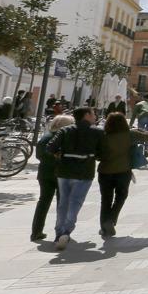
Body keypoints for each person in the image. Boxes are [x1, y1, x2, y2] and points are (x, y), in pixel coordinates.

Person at [48, 106, 105, 249]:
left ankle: (58, 233)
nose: (95, 116)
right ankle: (66, 231)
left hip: (64, 171)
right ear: (86, 115)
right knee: (75, 202)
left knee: (63, 203)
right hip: (84, 172)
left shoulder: (65, 130)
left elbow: (50, 147)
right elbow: (102, 152)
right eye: (93, 114)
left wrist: (60, 155)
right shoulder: (97, 132)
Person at [95, 112, 148, 237]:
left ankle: (104, 227)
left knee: (105, 199)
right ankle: (111, 220)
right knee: (121, 196)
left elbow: (97, 155)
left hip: (105, 171)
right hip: (123, 171)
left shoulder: (103, 136)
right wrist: (140, 129)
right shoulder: (130, 134)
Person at [31, 114, 73, 242]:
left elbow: (38, 155)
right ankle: (60, 233)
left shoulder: (45, 137)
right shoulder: (63, 137)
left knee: (43, 202)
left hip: (44, 174)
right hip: (61, 174)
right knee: (62, 204)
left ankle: (36, 232)